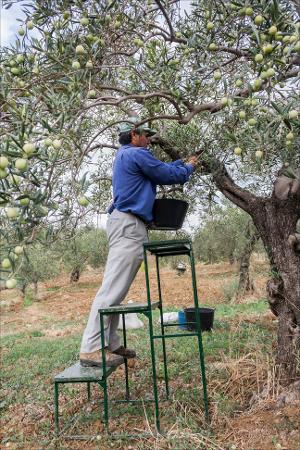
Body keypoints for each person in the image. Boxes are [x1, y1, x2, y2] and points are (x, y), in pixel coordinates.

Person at [80, 118, 198, 367]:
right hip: (128, 224)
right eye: (146, 135)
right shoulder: (136, 153)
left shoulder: (128, 155)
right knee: (111, 290)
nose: (149, 140)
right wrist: (187, 168)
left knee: (117, 289)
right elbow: (165, 173)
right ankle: (91, 348)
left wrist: (181, 162)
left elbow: (162, 168)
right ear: (134, 135)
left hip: (127, 224)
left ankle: (110, 344)